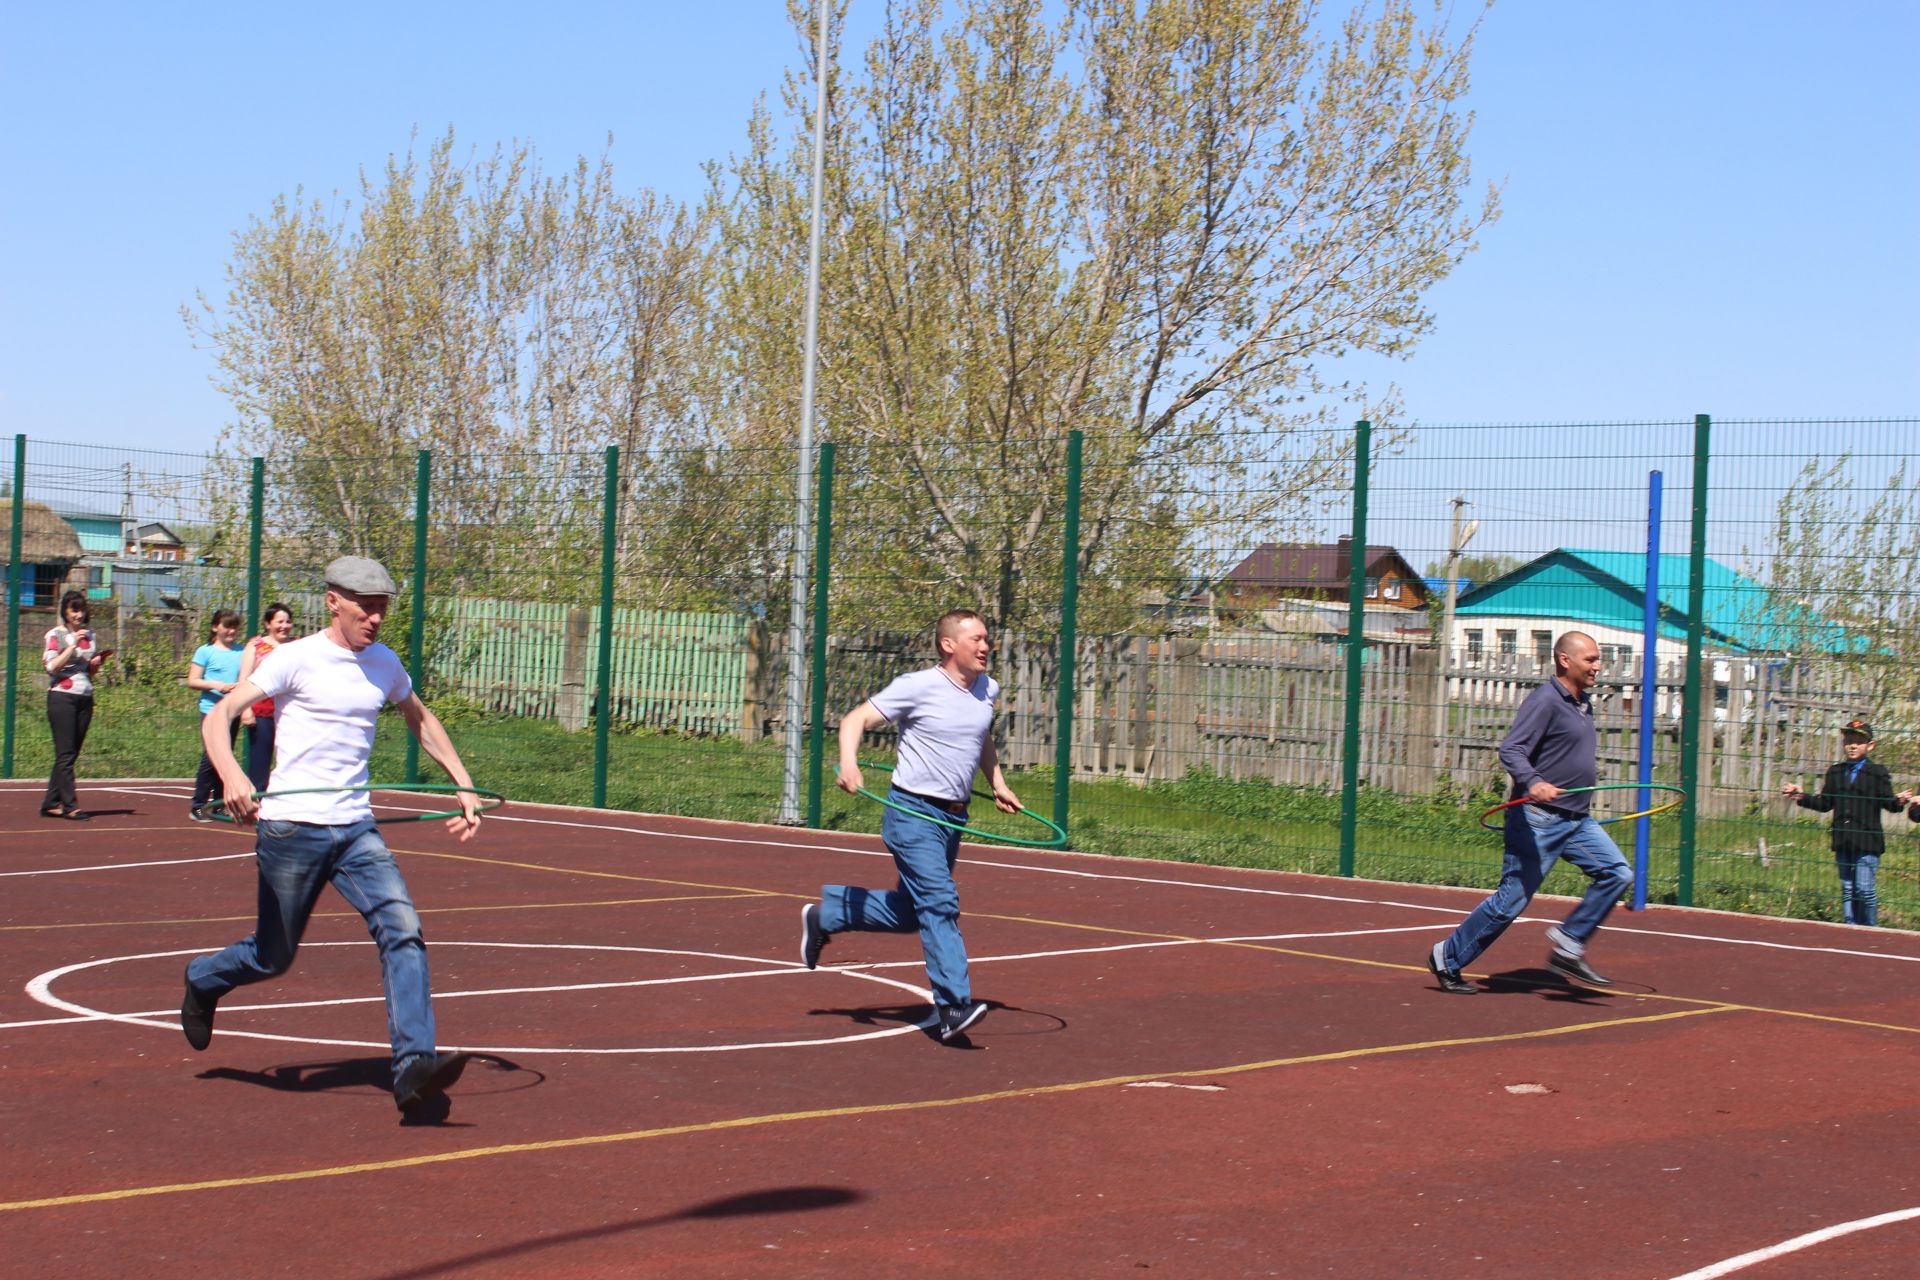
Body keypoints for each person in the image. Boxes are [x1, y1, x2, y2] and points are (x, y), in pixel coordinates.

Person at [180, 556, 484, 1116]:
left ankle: (415, 1068)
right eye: (365, 608)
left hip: (356, 829)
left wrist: (464, 785)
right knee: (274, 957)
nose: (374, 619)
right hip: (293, 829)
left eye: (382, 609)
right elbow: (218, 716)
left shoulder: (385, 663)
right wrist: (233, 775)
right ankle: (204, 978)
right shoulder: (294, 658)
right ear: (333, 601)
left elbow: (420, 718)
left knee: (403, 931)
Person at [800, 608, 1021, 1043]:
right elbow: (855, 719)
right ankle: (954, 1004)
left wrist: (997, 783)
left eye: (987, 638)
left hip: (953, 818)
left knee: (910, 912)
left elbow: (981, 737)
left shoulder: (986, 688)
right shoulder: (917, 686)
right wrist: (849, 763)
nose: (985, 646)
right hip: (911, 814)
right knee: (939, 901)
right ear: (948, 645)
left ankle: (828, 914)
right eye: (976, 639)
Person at [1427, 630, 1634, 994]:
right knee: (1511, 901)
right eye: (1591, 659)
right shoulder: (1545, 701)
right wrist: (1533, 781)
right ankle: (1447, 957)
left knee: (1617, 873)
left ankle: (1569, 944)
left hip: (1576, 818)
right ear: (1564, 660)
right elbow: (1512, 750)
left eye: (1599, 659)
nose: (1598, 667)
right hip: (1539, 819)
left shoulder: (1583, 703)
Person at [1783, 719, 1903, 927]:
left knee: (1864, 889)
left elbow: (1888, 803)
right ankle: (1850, 928)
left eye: (1859, 741)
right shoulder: (1835, 772)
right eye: (1849, 740)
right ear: (1843, 743)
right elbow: (1825, 803)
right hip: (1843, 840)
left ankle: (1871, 929)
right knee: (1848, 888)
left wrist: (1898, 801)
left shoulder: (1877, 772)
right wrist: (1802, 796)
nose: (1853, 745)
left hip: (1867, 842)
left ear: (1870, 745)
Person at [41, 590, 111, 820]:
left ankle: (51, 803)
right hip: (62, 697)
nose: (78, 614)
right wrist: (71, 646)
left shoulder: (89, 635)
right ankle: (70, 806)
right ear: (66, 612)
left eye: (81, 609)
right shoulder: (55, 634)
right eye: (74, 609)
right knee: (66, 753)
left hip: (85, 696)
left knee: (70, 753)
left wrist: (97, 663)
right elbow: (51, 667)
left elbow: (89, 670)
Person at [187, 609, 244, 821]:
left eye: (234, 627)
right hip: (211, 711)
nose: (231, 631)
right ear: (215, 627)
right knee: (211, 756)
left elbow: (246, 678)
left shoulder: (241, 651)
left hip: (233, 711)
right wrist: (217, 686)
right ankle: (198, 805)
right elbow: (193, 680)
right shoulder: (205, 651)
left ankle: (219, 803)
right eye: (226, 626)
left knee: (225, 756)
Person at [237, 602, 295, 792]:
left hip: (291, 712)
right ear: (268, 624)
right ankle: (257, 800)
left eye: (288, 622)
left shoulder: (298, 645)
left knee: (290, 758)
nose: (284, 626)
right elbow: (244, 678)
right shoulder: (256, 645)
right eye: (279, 621)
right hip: (262, 711)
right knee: (260, 758)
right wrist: (245, 709)